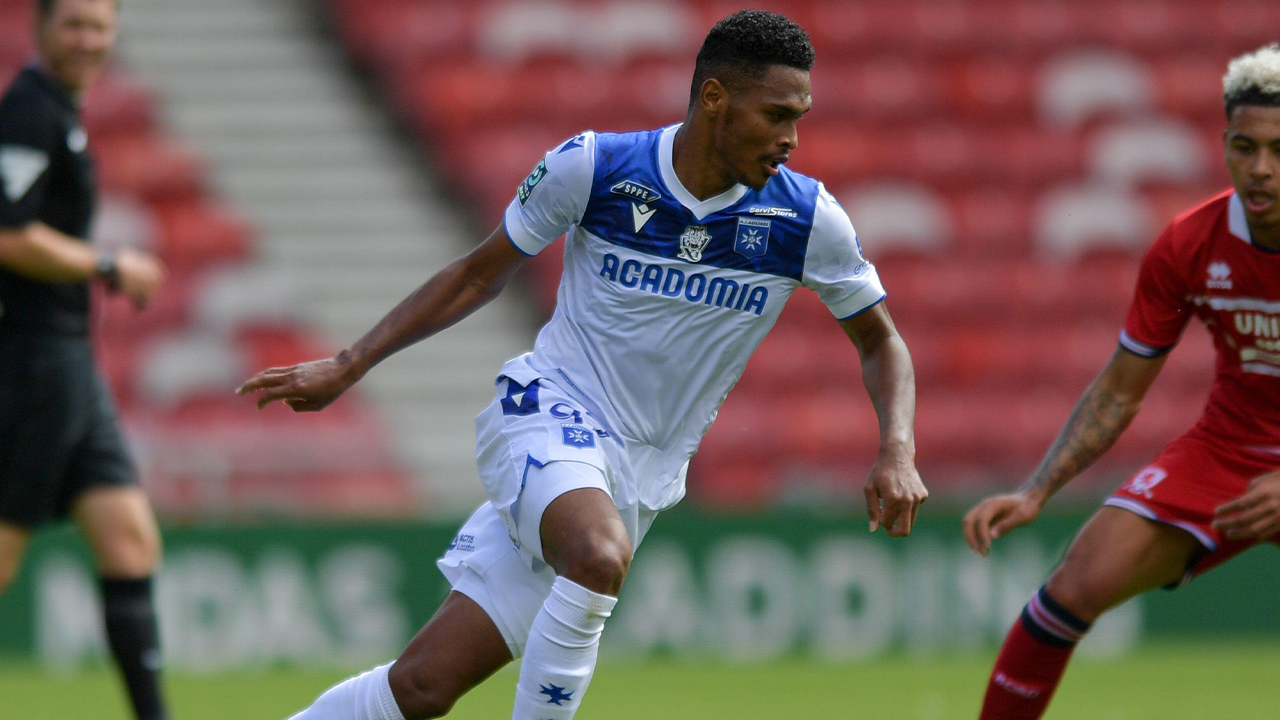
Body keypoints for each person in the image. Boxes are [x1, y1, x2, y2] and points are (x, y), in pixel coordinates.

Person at [238, 10, 928, 720]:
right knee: (598, 556)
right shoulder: (598, 168)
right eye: (776, 114)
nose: (790, 139)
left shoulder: (805, 220)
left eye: (801, 118)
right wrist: (350, 364)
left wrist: (897, 450)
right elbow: (480, 274)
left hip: (642, 473)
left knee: (421, 687)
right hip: (548, 414)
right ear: (716, 98)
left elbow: (882, 342)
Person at [963, 43, 1280, 720]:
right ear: (1224, 144)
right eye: (1246, 147)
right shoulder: (1189, 244)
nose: (1262, 170)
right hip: (1230, 450)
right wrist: (1037, 489)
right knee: (1076, 583)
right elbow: (1119, 390)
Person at [0, 1, 169, 719]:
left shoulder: (60, 113)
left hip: (69, 356)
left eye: (99, 25)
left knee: (129, 542)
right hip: (34, 357)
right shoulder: (29, 112)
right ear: (39, 29)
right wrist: (108, 264)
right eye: (72, 23)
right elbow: (6, 236)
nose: (88, 39)